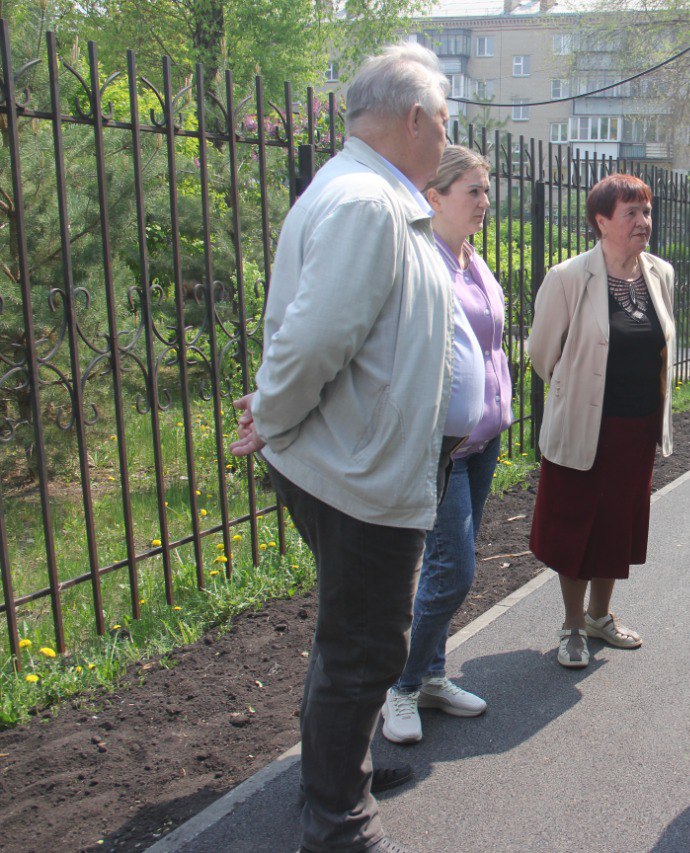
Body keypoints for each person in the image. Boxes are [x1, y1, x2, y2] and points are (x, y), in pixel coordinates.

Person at [228, 42, 452, 853]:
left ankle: (340, 775)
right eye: (445, 121)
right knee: (363, 649)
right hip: (355, 474)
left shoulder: (372, 193)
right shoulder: (366, 201)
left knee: (349, 637)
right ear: (416, 118)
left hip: (363, 466)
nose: (447, 139)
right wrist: (276, 420)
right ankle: (337, 824)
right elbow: (309, 341)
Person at [381, 145, 513, 744]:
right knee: (453, 570)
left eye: (487, 191)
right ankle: (400, 687)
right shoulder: (422, 263)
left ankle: (431, 676)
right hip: (443, 448)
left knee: (450, 564)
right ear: (434, 197)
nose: (485, 202)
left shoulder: (472, 261)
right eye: (473, 191)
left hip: (482, 442)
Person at [526, 173, 676, 670]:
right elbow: (543, 354)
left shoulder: (660, 274)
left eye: (646, 211)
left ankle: (600, 616)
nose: (643, 222)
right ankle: (571, 625)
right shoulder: (569, 277)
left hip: (635, 429)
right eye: (631, 212)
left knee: (616, 525)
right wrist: (577, 391)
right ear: (601, 221)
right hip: (585, 426)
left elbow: (661, 348)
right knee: (575, 527)